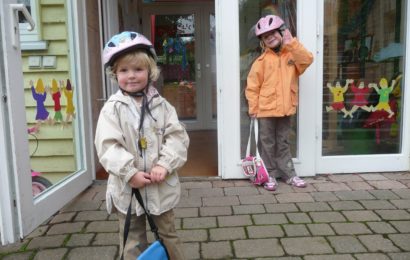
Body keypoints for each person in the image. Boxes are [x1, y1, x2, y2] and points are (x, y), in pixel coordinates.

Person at [94, 31, 189, 260]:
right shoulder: (112, 109)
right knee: (132, 239)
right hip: (128, 191)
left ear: (151, 71)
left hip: (160, 188)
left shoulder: (162, 106)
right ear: (114, 73)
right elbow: (108, 146)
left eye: (138, 69)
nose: (132, 76)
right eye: (124, 70)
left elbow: (177, 137)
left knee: (168, 235)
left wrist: (165, 164)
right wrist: (130, 172)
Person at [245, 15, 313, 191]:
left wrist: (292, 43)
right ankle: (269, 175)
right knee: (267, 142)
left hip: (285, 108)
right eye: (265, 36)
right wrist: (253, 108)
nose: (270, 37)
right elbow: (252, 87)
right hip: (265, 110)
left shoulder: (292, 55)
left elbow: (307, 60)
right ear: (262, 41)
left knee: (283, 141)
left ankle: (288, 174)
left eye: (273, 33)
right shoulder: (260, 62)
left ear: (281, 32)